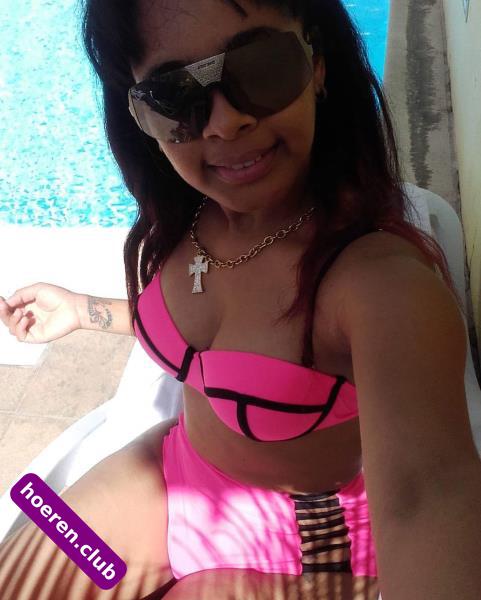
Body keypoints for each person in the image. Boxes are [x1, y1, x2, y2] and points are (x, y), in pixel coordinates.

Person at [0, 0, 480, 598]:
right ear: (140, 114)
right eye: (175, 94)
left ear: (317, 62)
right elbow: (213, 342)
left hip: (305, 542)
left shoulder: (377, 285)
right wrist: (84, 311)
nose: (225, 123)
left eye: (259, 66)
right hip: (173, 477)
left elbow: (426, 495)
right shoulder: (191, 220)